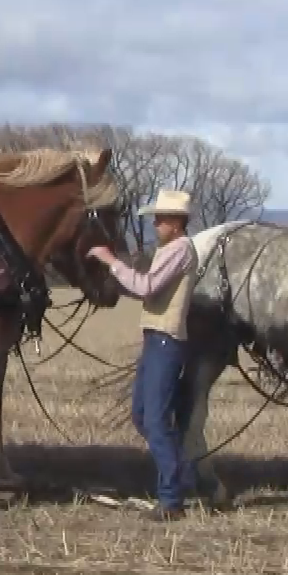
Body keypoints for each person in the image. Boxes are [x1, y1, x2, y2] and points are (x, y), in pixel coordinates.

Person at [86, 189, 223, 519]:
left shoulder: (180, 249)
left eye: (161, 218)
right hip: (156, 339)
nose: (156, 223)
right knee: (142, 415)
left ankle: (171, 500)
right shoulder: (169, 249)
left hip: (166, 341)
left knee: (157, 421)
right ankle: (184, 476)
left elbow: (146, 287)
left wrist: (111, 262)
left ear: (176, 223)